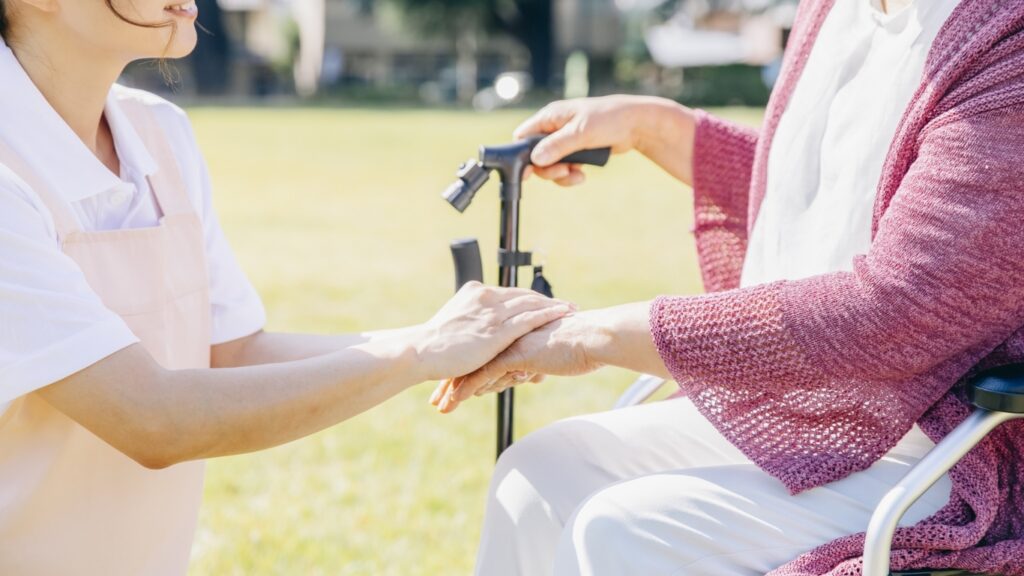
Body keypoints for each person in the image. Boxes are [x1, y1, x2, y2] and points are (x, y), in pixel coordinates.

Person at [432, 0, 1024, 574]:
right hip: (804, 411)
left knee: (624, 532)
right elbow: (822, 197)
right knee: (538, 474)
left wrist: (590, 337)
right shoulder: (830, 9)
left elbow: (896, 312)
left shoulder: (1005, 36)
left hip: (946, 448)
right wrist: (656, 127)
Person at [0, 1, 572, 573]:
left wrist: (449, 339)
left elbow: (234, 353)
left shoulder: (160, 132)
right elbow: (151, 418)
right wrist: (420, 352)